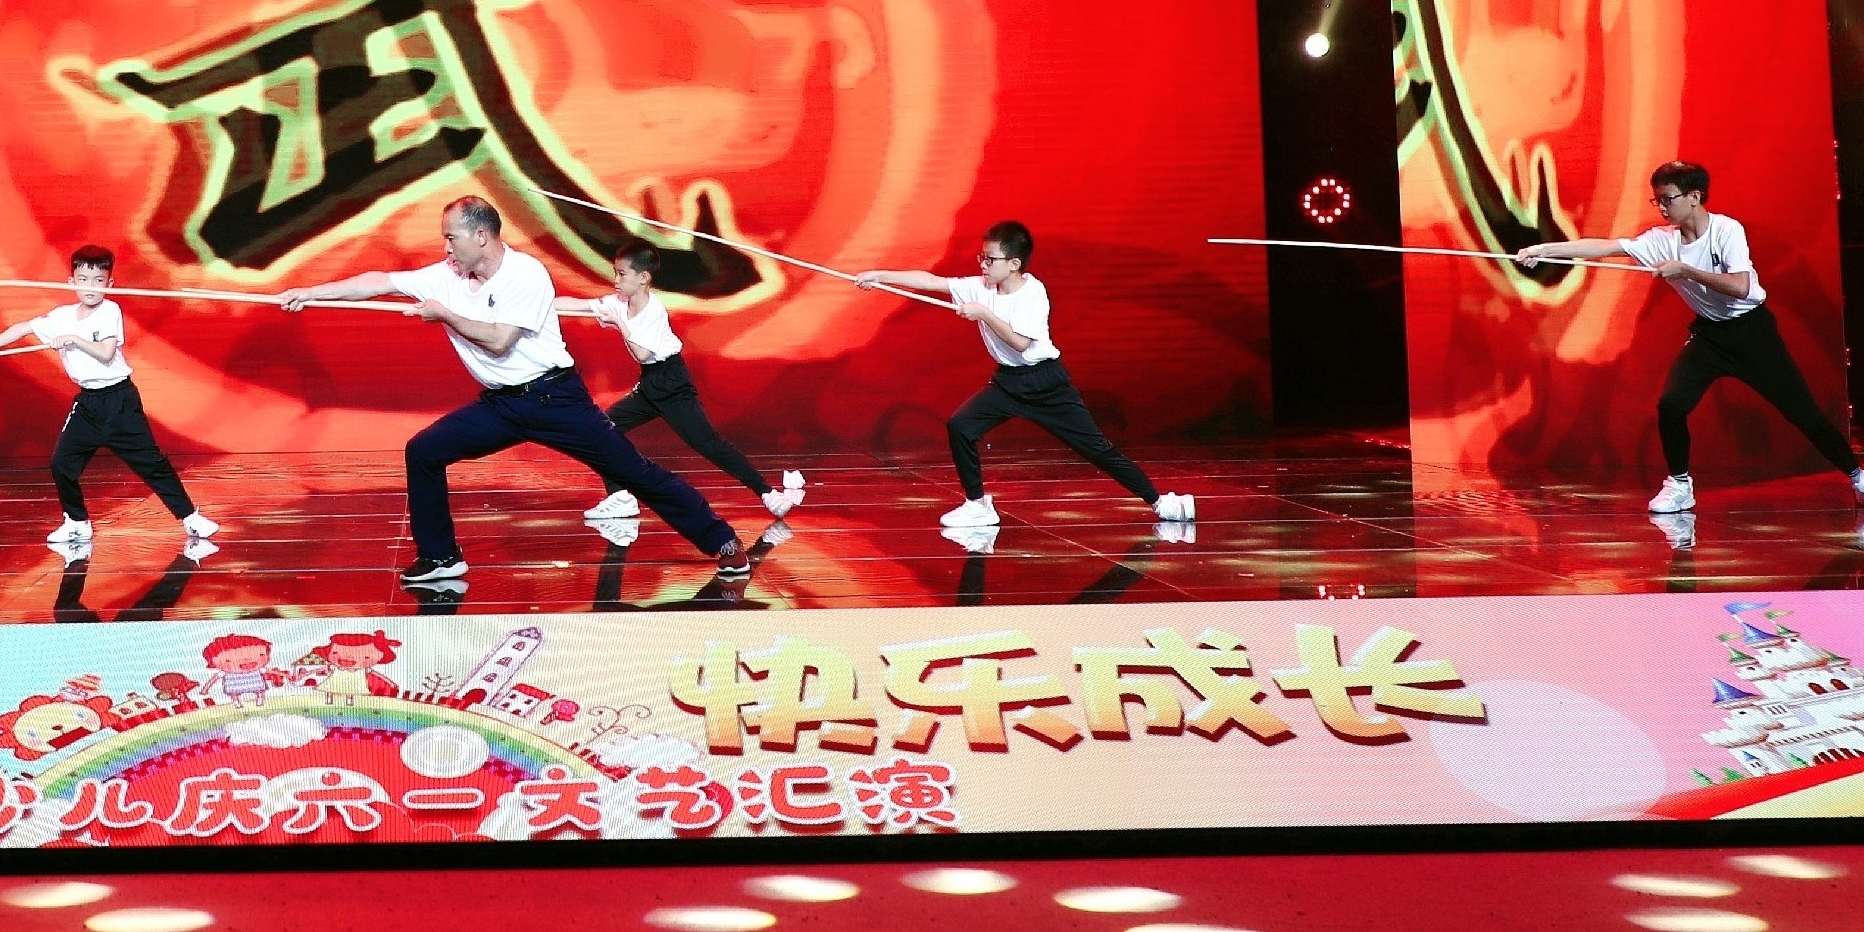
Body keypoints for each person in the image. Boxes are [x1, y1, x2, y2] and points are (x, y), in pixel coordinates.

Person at [282, 195, 750, 589]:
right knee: (424, 451)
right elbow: (378, 283)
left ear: (480, 236)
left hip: (555, 399)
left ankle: (722, 542)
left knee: (635, 472)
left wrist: (444, 315)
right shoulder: (446, 274)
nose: (446, 247)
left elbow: (499, 339)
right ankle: (441, 557)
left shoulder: (526, 274)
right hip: (503, 405)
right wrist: (311, 292)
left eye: (452, 237)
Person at [1517, 161, 1864, 515]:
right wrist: (1542, 249)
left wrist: (1685, 271)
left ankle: (1863, 481)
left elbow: (1740, 286)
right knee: (1672, 404)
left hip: (1752, 333)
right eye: (1657, 200)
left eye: (1667, 199)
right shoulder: (1660, 240)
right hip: (1710, 336)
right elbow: (1605, 247)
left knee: (1802, 413)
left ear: (1694, 197)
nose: (1661, 207)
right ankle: (1679, 485)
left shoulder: (1726, 231)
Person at [858, 221, 1193, 533]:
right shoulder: (979, 286)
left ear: (1014, 264)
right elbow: (932, 282)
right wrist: (878, 276)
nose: (983, 265)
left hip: (1045, 382)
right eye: (982, 258)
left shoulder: (1033, 292)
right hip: (1008, 382)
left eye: (990, 259)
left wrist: (984, 314)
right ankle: (977, 505)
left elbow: (1020, 343)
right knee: (961, 426)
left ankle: (1162, 503)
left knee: (1096, 449)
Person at [0, 245, 218, 557]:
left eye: (98, 280)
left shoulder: (109, 311)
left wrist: (73, 339)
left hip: (119, 401)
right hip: (88, 404)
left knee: (152, 464)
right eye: (83, 279)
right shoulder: (61, 317)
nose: (90, 286)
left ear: (109, 284)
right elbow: (23, 328)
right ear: (71, 281)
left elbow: (106, 353)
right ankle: (77, 523)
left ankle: (191, 518)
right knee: (62, 464)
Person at [560, 240, 801, 528]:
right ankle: (620, 496)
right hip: (650, 383)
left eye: (622, 274)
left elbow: (642, 353)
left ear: (643, 277)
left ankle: (766, 493)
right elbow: (579, 306)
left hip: (672, 383)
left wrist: (619, 323)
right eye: (616, 273)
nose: (616, 280)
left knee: (707, 443)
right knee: (603, 430)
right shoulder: (617, 303)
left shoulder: (653, 310)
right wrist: (535, 305)